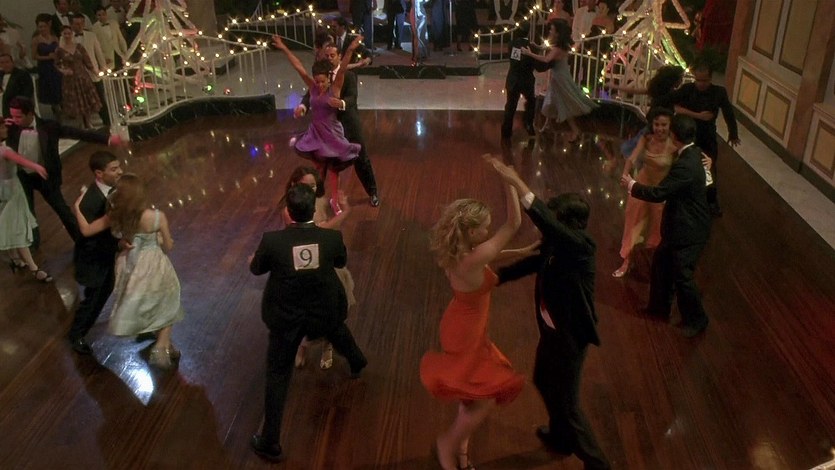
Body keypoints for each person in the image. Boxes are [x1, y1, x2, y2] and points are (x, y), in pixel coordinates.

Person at [489, 157, 611, 470]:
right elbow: (533, 263)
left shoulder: (581, 246)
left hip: (570, 337)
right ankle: (561, 438)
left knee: (569, 404)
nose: (550, 225)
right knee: (543, 380)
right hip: (552, 331)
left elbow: (548, 224)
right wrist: (496, 278)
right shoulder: (557, 245)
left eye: (557, 219)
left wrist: (517, 182)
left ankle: (598, 463)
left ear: (569, 223)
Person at [249, 183, 368, 462]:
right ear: (313, 210)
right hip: (324, 310)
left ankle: (270, 441)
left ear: (288, 212)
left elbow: (256, 269)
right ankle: (357, 362)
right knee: (337, 332)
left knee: (278, 374)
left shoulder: (272, 242)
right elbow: (340, 262)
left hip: (286, 316)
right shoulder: (331, 238)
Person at [420, 155, 524, 470]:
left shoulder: (459, 251)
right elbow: (514, 224)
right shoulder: (473, 258)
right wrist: (509, 181)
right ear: (471, 232)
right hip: (466, 332)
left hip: (462, 324)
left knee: (472, 391)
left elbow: (489, 254)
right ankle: (448, 444)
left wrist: (523, 251)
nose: (489, 231)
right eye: (485, 228)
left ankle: (461, 446)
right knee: (486, 397)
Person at [73, 173, 185, 367]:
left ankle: (166, 345)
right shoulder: (157, 217)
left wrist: (76, 208)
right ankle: (161, 345)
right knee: (169, 302)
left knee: (151, 303)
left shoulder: (118, 215)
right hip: (154, 265)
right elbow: (168, 246)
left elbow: (86, 230)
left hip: (131, 266)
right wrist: (161, 240)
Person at [620, 115, 712, 338]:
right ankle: (658, 308)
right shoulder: (694, 154)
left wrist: (632, 185)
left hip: (689, 229)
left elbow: (659, 193)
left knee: (683, 276)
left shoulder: (686, 164)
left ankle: (697, 320)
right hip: (679, 226)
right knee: (661, 265)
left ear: (674, 136)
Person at [5, 96, 120, 248]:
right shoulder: (10, 127)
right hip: (23, 176)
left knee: (62, 210)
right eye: (12, 116)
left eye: (18, 116)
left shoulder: (49, 127)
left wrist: (107, 139)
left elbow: (78, 133)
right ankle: (33, 245)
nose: (14, 120)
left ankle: (83, 243)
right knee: (27, 211)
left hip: (45, 177)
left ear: (30, 114)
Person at [273, 35, 361, 214]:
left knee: (334, 170)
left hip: (332, 133)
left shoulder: (335, 88)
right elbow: (298, 66)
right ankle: (314, 199)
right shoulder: (313, 87)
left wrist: (351, 49)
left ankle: (334, 200)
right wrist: (283, 48)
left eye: (323, 81)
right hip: (316, 133)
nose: (320, 85)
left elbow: (343, 67)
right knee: (319, 168)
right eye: (317, 81)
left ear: (329, 78)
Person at [278, 166, 355, 370]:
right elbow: (316, 231)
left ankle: (327, 345)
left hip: (324, 265)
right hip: (305, 267)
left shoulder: (319, 201)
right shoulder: (288, 210)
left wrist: (337, 208)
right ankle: (303, 347)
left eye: (313, 186)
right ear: (294, 185)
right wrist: (345, 212)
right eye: (306, 186)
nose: (311, 191)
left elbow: (326, 226)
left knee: (328, 312)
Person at [295, 42, 381, 208]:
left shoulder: (348, 75)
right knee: (322, 163)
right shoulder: (320, 76)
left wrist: (341, 103)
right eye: (327, 56)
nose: (329, 58)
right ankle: (317, 199)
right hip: (327, 128)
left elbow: (352, 98)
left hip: (348, 122)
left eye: (332, 55)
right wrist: (303, 106)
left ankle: (372, 192)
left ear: (339, 57)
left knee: (361, 158)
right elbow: (310, 93)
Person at [67, 151, 123, 355]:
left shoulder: (108, 191)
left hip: (103, 256)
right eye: (114, 169)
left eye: (119, 167)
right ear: (99, 173)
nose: (120, 171)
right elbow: (87, 235)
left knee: (103, 291)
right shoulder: (93, 201)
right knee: (93, 299)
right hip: (94, 261)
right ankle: (76, 335)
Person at [669, 59, 739, 217]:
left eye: (704, 80)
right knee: (683, 167)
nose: (700, 84)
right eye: (698, 80)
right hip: (688, 137)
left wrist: (733, 133)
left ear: (710, 78)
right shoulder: (687, 89)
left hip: (707, 136)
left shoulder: (719, 92)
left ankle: (711, 201)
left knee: (709, 169)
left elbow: (728, 113)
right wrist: (698, 116)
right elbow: (673, 104)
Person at [613, 107, 675, 278]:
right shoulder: (647, 138)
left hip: (660, 192)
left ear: (670, 125)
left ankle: (653, 263)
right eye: (657, 124)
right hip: (642, 185)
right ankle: (627, 261)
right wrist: (625, 175)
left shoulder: (675, 143)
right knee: (633, 223)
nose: (660, 128)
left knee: (657, 228)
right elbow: (632, 158)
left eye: (664, 125)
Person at [523, 20, 597, 142]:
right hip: (561, 76)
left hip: (560, 78)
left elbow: (546, 59)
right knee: (553, 101)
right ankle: (548, 125)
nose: (550, 32)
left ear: (557, 33)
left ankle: (574, 130)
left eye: (552, 30)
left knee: (562, 103)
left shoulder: (557, 49)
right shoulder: (562, 47)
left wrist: (529, 54)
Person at [0, 122, 51, 282]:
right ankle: (34, 268)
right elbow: (17, 158)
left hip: (3, 190)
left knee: (9, 225)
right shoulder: (5, 150)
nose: (5, 129)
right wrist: (36, 166)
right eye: (2, 127)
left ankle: (15, 259)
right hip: (12, 191)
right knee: (18, 228)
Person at [501, 25, 551, 139]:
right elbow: (538, 66)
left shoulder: (511, 44)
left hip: (513, 79)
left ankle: (506, 130)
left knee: (510, 105)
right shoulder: (531, 47)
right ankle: (528, 124)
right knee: (531, 102)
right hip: (526, 80)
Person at [56, 25, 102, 129]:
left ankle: (88, 121)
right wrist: (64, 70)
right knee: (76, 100)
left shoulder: (79, 47)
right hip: (70, 79)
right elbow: (57, 64)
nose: (67, 36)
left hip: (82, 76)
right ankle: (81, 122)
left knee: (86, 99)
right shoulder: (59, 50)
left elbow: (87, 60)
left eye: (69, 33)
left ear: (72, 34)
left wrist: (95, 72)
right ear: (62, 35)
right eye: (65, 34)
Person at [32, 14, 63, 116]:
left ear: (48, 26)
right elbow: (34, 56)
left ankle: (61, 106)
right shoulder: (36, 40)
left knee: (59, 86)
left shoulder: (54, 38)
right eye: (40, 27)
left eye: (44, 26)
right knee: (50, 88)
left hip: (55, 66)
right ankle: (56, 110)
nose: (42, 29)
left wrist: (58, 57)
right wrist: (47, 57)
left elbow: (59, 51)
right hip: (44, 67)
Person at [0, 52, 34, 117]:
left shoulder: (22, 74)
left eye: (7, 62)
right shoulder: (1, 74)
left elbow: (27, 93)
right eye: (2, 63)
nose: (5, 65)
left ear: (12, 62)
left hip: (15, 107)